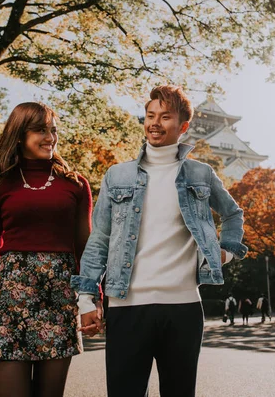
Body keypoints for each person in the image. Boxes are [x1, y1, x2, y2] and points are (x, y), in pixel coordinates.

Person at [71, 85, 248, 397]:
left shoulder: (201, 174)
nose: (155, 122)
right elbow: (99, 239)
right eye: (150, 115)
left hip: (183, 309)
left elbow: (233, 214)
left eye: (165, 117)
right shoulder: (117, 176)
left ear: (182, 126)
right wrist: (87, 298)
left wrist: (226, 252)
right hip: (127, 307)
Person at [0, 102, 92, 397]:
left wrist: (91, 301)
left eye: (53, 130)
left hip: (59, 299)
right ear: (19, 135)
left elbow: (85, 248)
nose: (50, 137)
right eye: (40, 130)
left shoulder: (75, 184)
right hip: (8, 301)